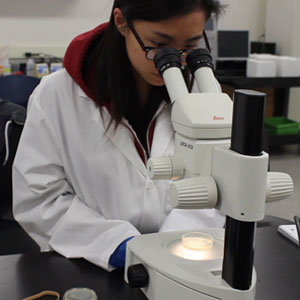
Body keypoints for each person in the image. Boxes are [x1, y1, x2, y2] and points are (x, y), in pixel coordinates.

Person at [13, 0, 225, 271]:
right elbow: (39, 196)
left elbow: (216, 183)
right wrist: (114, 244)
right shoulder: (57, 94)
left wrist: (172, 243)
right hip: (93, 262)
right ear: (121, 22)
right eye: (159, 45)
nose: (173, 58)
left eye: (190, 46)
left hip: (184, 259)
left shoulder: (203, 92)